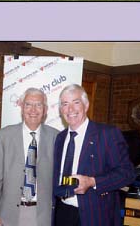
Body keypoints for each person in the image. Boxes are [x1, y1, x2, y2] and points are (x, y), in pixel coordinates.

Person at [53, 84, 135, 226]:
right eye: (65, 104)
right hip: (63, 212)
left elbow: (127, 174)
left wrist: (93, 182)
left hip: (95, 215)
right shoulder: (60, 138)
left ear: (86, 105)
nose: (70, 109)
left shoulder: (107, 134)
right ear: (61, 110)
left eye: (76, 102)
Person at [0, 88, 59, 226]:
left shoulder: (56, 137)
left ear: (45, 109)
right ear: (21, 107)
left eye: (38, 105)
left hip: (43, 215)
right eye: (28, 104)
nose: (33, 110)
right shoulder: (3, 136)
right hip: (8, 214)